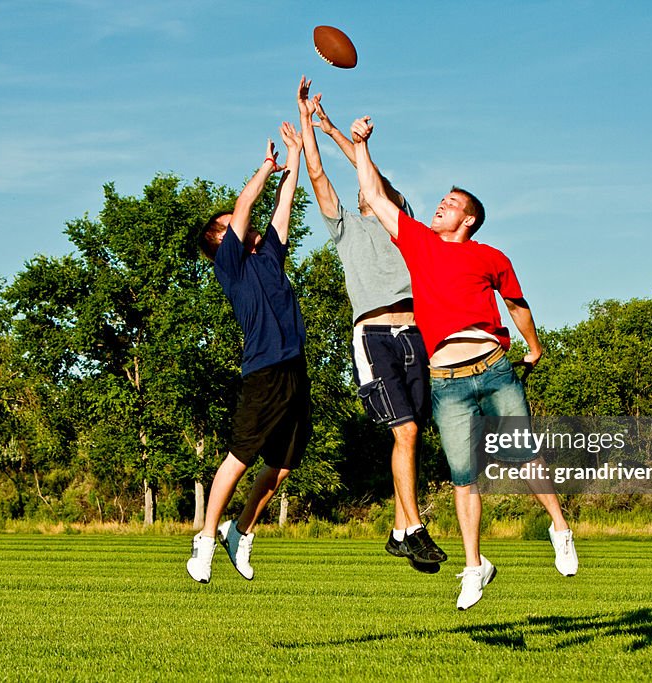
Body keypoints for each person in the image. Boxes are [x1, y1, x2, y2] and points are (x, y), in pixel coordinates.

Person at [349, 115, 578, 610]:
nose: (440, 206)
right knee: (462, 477)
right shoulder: (418, 243)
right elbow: (374, 194)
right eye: (442, 201)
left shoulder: (490, 256)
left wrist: (533, 347)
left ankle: (560, 529)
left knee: (524, 454)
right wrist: (361, 146)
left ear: (468, 219)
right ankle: (474, 567)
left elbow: (518, 304)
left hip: (493, 367)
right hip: (446, 380)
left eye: (450, 204)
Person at [295, 77, 446, 571]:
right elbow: (318, 173)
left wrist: (351, 139)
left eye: (376, 189)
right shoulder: (346, 226)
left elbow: (370, 173)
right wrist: (313, 122)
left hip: (416, 337)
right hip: (374, 335)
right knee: (404, 433)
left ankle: (399, 530)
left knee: (413, 435)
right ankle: (415, 528)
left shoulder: (408, 232)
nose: (369, 192)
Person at [186, 122, 310, 584]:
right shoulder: (230, 264)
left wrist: (294, 157)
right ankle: (203, 541)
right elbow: (244, 206)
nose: (241, 225)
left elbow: (283, 205)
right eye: (228, 227)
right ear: (220, 239)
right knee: (239, 458)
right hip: (264, 371)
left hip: (295, 370)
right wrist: (265, 167)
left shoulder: (268, 255)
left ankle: (239, 532)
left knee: (281, 468)